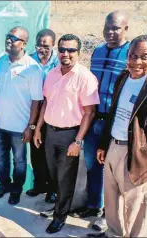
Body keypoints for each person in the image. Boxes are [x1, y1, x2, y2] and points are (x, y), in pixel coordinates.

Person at [88, 35, 147, 238]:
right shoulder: (123, 77)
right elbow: (113, 113)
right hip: (113, 146)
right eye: (132, 56)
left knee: (134, 205)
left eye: (144, 57)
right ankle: (113, 234)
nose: (136, 62)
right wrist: (103, 145)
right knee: (111, 198)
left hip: (137, 153)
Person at [33, 34, 99, 234]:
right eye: (62, 50)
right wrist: (37, 128)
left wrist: (78, 141)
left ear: (78, 53)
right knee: (53, 175)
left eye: (71, 50)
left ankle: (60, 217)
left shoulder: (85, 77)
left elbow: (90, 112)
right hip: (50, 133)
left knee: (65, 179)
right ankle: (58, 205)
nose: (66, 54)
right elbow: (46, 103)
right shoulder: (52, 74)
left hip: (70, 135)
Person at [70, 11, 130, 224]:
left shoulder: (131, 53)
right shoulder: (97, 51)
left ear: (126, 30)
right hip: (94, 118)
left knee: (114, 171)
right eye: (107, 28)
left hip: (116, 123)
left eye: (116, 28)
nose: (111, 32)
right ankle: (94, 207)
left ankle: (110, 216)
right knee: (92, 165)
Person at [0, 26, 43, 205]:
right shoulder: (1, 61)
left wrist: (30, 126)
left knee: (19, 161)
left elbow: (37, 101)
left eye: (14, 38)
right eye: (8, 36)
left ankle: (16, 189)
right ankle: (4, 185)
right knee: (1, 158)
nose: (9, 40)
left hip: (19, 127)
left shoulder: (33, 69)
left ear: (24, 44)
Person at [27, 28, 59, 203]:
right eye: (39, 45)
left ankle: (52, 189)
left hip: (53, 114)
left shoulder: (59, 62)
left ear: (53, 45)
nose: (42, 49)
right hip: (33, 113)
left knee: (51, 155)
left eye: (46, 46)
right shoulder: (29, 60)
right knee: (36, 152)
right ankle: (39, 185)